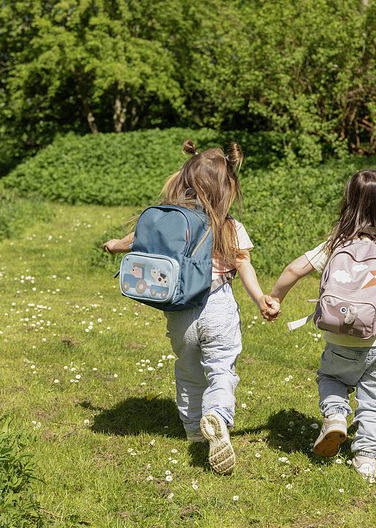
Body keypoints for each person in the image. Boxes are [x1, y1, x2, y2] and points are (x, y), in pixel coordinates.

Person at [263, 169, 376, 479]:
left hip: (340, 339)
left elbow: (295, 269)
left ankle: (335, 415)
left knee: (331, 378)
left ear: (347, 202)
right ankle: (365, 458)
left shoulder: (334, 245)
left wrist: (276, 297)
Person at [103, 140, 271, 475]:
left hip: (180, 311)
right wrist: (261, 299)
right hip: (218, 305)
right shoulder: (228, 225)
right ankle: (218, 415)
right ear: (227, 187)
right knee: (221, 369)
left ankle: (195, 431)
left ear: (184, 180)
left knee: (189, 370)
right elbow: (244, 264)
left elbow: (132, 241)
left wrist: (112, 246)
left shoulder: (167, 220)